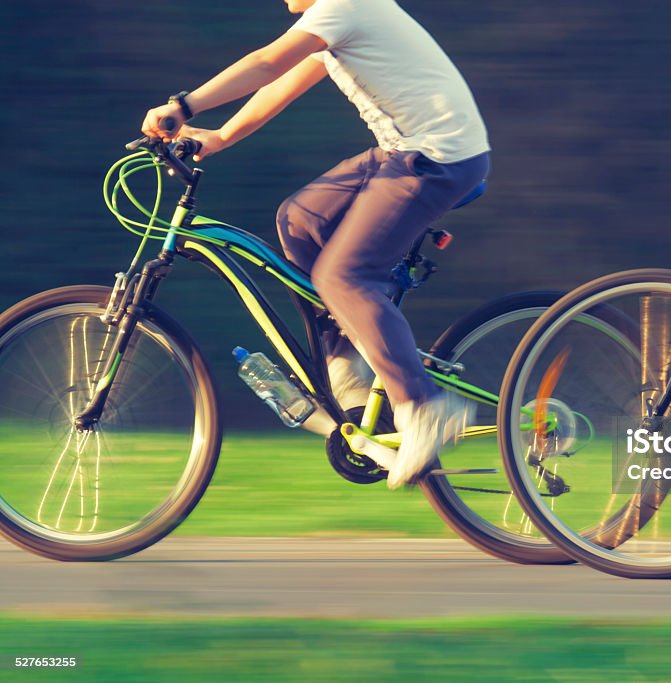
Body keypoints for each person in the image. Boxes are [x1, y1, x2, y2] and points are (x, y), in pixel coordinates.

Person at [141, 0, 491, 488]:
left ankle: (425, 406)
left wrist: (183, 105)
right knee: (300, 220)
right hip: (403, 151)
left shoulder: (344, 5)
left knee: (341, 276)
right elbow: (281, 82)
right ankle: (346, 360)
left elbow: (267, 61)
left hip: (434, 159)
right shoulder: (335, 19)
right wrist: (218, 137)